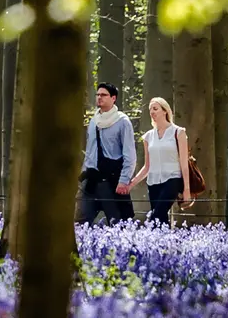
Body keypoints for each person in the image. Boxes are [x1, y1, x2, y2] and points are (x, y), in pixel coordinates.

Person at [78, 83, 136, 225]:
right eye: (98, 95)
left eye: (103, 95)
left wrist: (124, 180)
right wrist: (83, 174)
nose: (99, 98)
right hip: (91, 179)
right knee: (81, 221)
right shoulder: (93, 121)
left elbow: (129, 155)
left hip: (111, 180)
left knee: (117, 223)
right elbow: (90, 152)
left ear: (113, 98)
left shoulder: (123, 122)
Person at [127, 97, 192, 223]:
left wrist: (186, 190)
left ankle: (149, 239)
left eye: (155, 109)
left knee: (155, 217)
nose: (152, 112)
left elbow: (184, 163)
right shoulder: (148, 137)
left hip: (173, 179)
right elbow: (147, 166)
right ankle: (165, 242)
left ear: (165, 111)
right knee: (160, 220)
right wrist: (131, 184)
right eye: (150, 109)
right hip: (153, 182)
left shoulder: (179, 133)